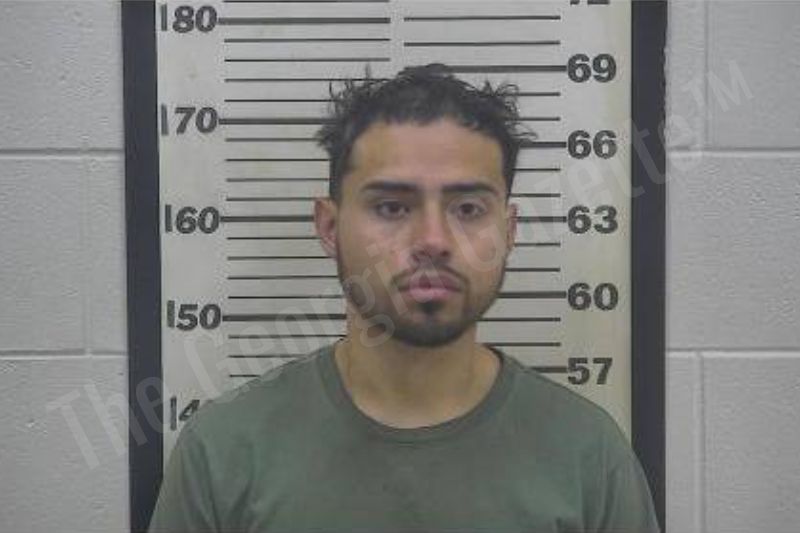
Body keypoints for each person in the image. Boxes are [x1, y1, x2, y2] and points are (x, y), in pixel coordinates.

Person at [148, 63, 661, 533]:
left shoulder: (590, 459)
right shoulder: (223, 454)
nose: (433, 240)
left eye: (468, 208)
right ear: (329, 227)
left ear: (509, 231)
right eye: (392, 207)